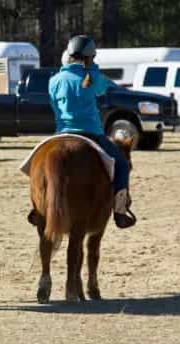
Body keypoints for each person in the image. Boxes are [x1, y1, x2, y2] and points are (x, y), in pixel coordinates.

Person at [49, 35, 136, 229]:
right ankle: (120, 211)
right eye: (93, 58)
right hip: (90, 133)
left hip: (61, 133)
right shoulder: (92, 77)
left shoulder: (54, 80)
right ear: (89, 57)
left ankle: (37, 209)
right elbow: (104, 88)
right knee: (121, 164)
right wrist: (93, 68)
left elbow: (55, 108)